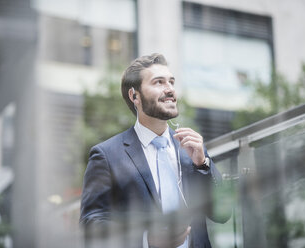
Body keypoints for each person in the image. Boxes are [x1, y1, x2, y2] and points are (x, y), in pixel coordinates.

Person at [80, 53, 229, 248]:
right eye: (158, 82)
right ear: (135, 96)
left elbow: (223, 214)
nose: (169, 90)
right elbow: (91, 225)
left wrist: (203, 165)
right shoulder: (106, 155)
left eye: (172, 82)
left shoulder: (192, 148)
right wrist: (146, 240)